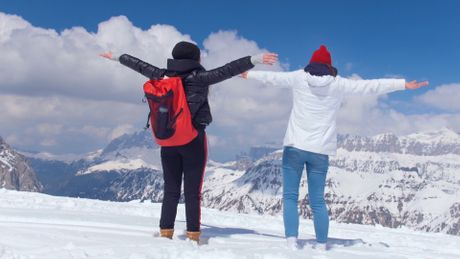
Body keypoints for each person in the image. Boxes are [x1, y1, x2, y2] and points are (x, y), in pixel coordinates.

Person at [242, 45, 428, 250]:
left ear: (311, 63)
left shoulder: (298, 78)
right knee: (318, 202)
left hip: (295, 146)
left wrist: (248, 75)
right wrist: (403, 84)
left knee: (290, 197)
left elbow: (273, 79)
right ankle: (322, 245)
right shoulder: (339, 84)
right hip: (320, 151)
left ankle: (291, 242)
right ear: (329, 66)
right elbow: (371, 86)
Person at [100, 41, 277, 243]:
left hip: (167, 139)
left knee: (171, 190)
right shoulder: (200, 78)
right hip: (193, 139)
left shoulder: (161, 75)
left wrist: (116, 56)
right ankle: (193, 235)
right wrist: (254, 60)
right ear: (195, 58)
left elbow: (139, 65)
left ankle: (166, 232)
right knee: (193, 192)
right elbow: (228, 70)